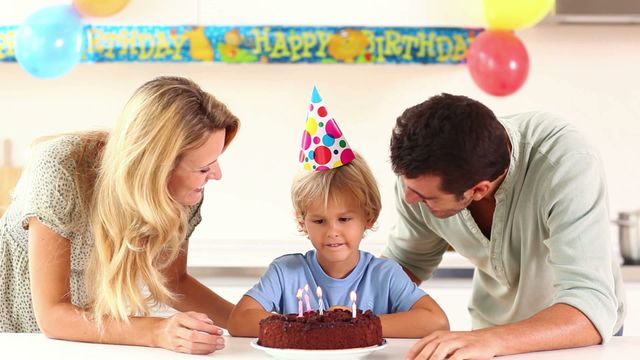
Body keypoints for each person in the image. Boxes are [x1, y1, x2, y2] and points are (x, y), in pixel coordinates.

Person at [0, 76, 240, 355]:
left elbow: (173, 280)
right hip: (14, 322)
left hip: (87, 328)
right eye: (203, 168)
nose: (217, 175)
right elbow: (53, 315)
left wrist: (253, 323)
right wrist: (158, 331)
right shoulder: (60, 168)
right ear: (156, 167)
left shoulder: (182, 193)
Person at [383, 93, 626, 359]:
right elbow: (405, 265)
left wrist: (488, 340)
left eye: (426, 197)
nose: (410, 199)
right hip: (489, 340)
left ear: (478, 190)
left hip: (576, 339)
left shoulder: (566, 160)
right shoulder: (420, 177)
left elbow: (590, 305)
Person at [227, 87, 449, 338]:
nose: (332, 231)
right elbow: (239, 320)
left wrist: (356, 323)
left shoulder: (385, 275)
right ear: (302, 221)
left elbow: (436, 322)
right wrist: (315, 324)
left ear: (369, 216)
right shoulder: (286, 272)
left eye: (344, 219)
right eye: (319, 220)